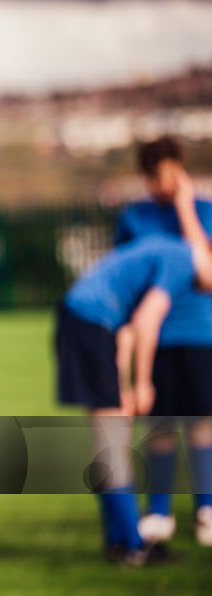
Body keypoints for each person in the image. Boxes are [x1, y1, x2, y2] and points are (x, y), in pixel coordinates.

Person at [56, 224, 212, 565]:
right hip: (87, 326)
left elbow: (125, 327)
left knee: (113, 437)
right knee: (111, 439)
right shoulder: (183, 260)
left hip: (87, 324)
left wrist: (124, 384)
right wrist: (143, 382)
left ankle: (121, 541)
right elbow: (145, 321)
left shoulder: (166, 250)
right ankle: (132, 546)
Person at [113, 135, 212, 547]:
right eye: (152, 176)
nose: (161, 183)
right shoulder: (134, 218)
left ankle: (206, 509)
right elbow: (126, 281)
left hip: (200, 335)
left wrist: (187, 207)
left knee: (202, 427)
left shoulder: (204, 211)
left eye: (167, 173)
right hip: (152, 337)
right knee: (159, 427)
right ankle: (159, 511)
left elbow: (207, 277)